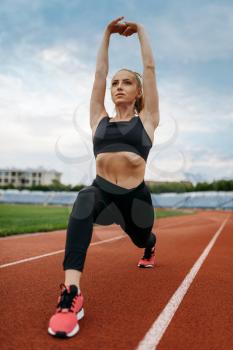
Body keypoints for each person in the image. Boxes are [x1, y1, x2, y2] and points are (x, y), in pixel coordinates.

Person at [48, 16, 160, 338]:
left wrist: (141, 31)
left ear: (139, 92)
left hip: (135, 200)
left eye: (126, 82)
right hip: (101, 192)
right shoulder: (98, 118)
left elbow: (150, 69)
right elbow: (98, 72)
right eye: (115, 83)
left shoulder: (148, 120)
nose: (117, 87)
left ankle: (149, 247)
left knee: (141, 238)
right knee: (84, 199)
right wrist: (106, 34)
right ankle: (71, 295)